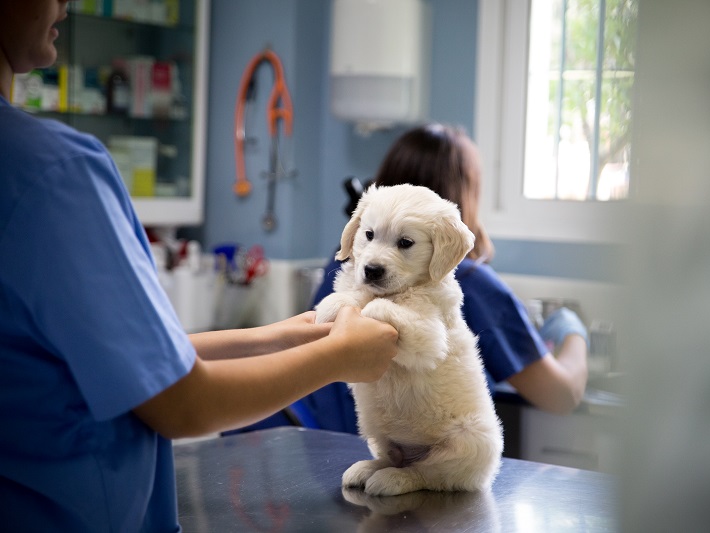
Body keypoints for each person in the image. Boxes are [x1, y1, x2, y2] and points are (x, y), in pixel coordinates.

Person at [0, 1, 398, 531]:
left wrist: (288, 335)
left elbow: (134, 364)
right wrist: (340, 357)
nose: (65, 3)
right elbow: (181, 404)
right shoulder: (54, 172)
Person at [234, 123, 588, 436]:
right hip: (386, 454)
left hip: (312, 447)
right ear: (463, 192)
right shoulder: (470, 280)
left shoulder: (359, 258)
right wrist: (571, 330)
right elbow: (561, 395)